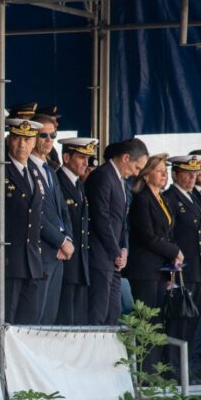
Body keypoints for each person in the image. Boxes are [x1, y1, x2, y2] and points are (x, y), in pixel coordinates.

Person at [164, 154, 201, 380]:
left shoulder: (193, 198)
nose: (191, 177)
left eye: (194, 173)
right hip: (181, 270)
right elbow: (168, 234)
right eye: (187, 173)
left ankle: (185, 369)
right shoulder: (170, 197)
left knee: (193, 323)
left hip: (198, 269)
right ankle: (174, 369)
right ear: (175, 174)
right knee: (178, 322)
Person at [86, 138, 148, 325]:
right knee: (98, 313)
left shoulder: (121, 181)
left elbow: (122, 221)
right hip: (100, 256)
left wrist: (124, 250)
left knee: (113, 313)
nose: (136, 173)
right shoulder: (102, 175)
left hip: (114, 259)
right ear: (126, 158)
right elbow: (101, 218)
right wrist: (116, 252)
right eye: (136, 167)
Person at [29, 107, 73, 325]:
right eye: (43, 135)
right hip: (42, 252)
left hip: (58, 255)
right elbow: (35, 214)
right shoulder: (27, 167)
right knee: (35, 316)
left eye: (53, 135)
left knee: (49, 317)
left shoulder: (50, 169)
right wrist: (60, 240)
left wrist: (68, 239)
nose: (49, 140)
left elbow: (62, 210)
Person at [125, 154, 181, 311]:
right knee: (146, 320)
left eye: (165, 170)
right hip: (144, 270)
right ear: (146, 175)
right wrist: (174, 250)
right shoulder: (141, 199)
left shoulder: (163, 199)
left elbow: (169, 233)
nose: (165, 174)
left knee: (157, 321)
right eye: (159, 171)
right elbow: (147, 236)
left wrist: (174, 257)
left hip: (160, 269)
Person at [3, 117, 45, 323]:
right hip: (10, 259)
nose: (22, 144)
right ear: (9, 139)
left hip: (32, 261)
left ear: (34, 142)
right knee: (8, 321)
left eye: (27, 140)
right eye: (17, 138)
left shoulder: (34, 171)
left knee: (29, 323)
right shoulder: (1, 168)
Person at [55, 137, 97, 325]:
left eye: (87, 157)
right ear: (66, 157)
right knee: (65, 320)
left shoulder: (78, 184)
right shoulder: (57, 180)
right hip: (64, 263)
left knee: (77, 322)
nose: (86, 162)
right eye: (81, 157)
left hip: (80, 264)